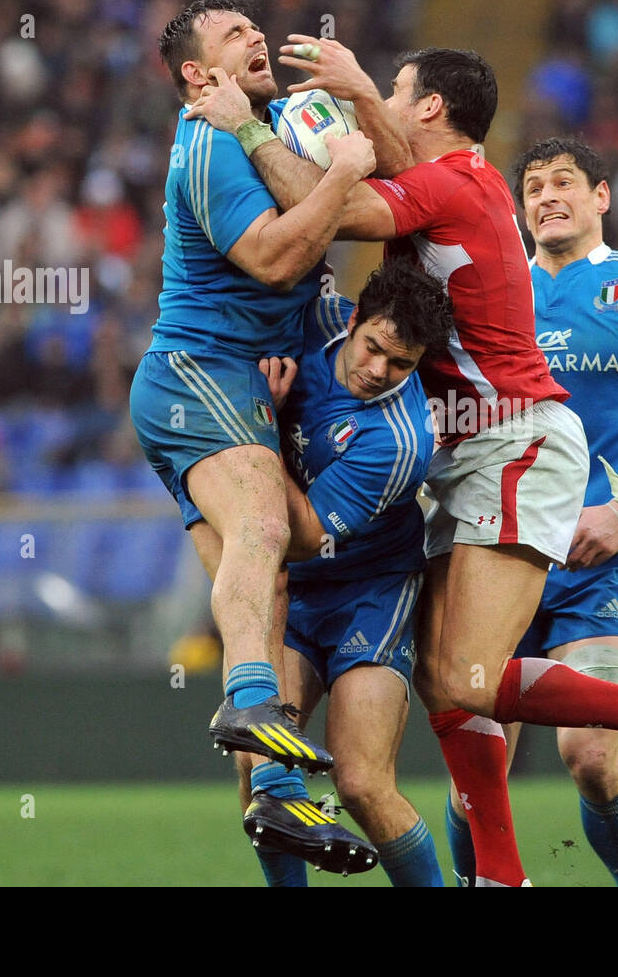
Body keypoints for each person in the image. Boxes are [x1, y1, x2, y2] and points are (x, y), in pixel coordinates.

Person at [186, 41, 618, 888]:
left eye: (398, 95)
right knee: (449, 689)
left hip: (514, 439)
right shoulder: (442, 186)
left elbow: (329, 211)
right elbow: (388, 170)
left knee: (463, 677)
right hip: (467, 454)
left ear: (431, 106)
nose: (384, 112)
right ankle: (502, 877)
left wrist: (248, 134)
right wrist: (365, 94)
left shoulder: (460, 182)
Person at [131, 0, 387, 864]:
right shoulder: (206, 139)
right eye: (233, 34)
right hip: (198, 370)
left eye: (253, 27)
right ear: (197, 77)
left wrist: (358, 121)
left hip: (233, 382)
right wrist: (343, 174)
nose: (256, 38)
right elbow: (278, 256)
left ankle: (276, 796)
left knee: (264, 595)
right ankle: (244, 702)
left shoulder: (267, 127)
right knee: (268, 528)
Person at [441, 137, 618, 887]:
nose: (546, 197)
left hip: (598, 553)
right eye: (532, 186)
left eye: (565, 182)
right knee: (475, 759)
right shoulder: (487, 289)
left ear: (603, 196)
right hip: (495, 544)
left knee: (591, 759)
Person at [238, 257, 453, 886]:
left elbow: (305, 536)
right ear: (354, 319)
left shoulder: (399, 440)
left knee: (360, 782)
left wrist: (263, 428)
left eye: (402, 365)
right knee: (260, 766)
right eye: (375, 349)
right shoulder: (315, 318)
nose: (379, 372)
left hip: (370, 592)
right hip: (291, 594)